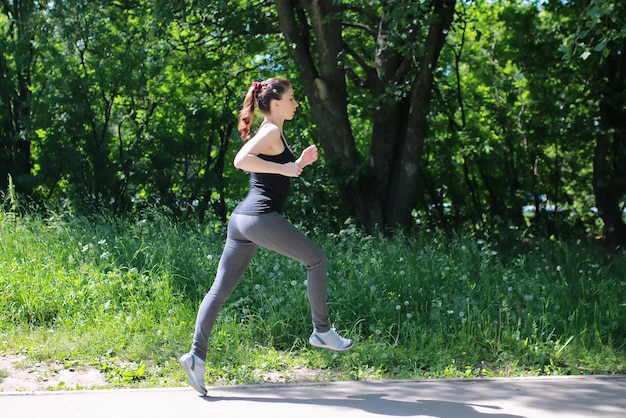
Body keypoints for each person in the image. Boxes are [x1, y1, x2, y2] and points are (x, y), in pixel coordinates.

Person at [179, 77, 353, 396]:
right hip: (259, 217)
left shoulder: (274, 132)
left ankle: (195, 357)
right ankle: (322, 331)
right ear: (275, 103)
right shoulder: (271, 130)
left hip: (242, 220)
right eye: (291, 98)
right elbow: (241, 160)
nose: (296, 103)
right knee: (316, 260)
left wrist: (297, 164)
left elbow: (277, 170)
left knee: (219, 291)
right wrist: (287, 169)